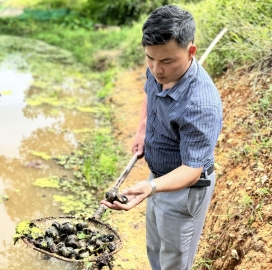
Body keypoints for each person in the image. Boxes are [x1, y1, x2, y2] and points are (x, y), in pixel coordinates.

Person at [101, 5, 223, 270]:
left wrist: (151, 188)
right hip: (156, 177)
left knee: (174, 262)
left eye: (167, 61)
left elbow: (192, 170)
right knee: (155, 249)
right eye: (150, 58)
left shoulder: (200, 105)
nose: (157, 69)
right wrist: (143, 128)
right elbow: (150, 91)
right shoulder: (157, 67)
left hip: (185, 189)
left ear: (191, 51)